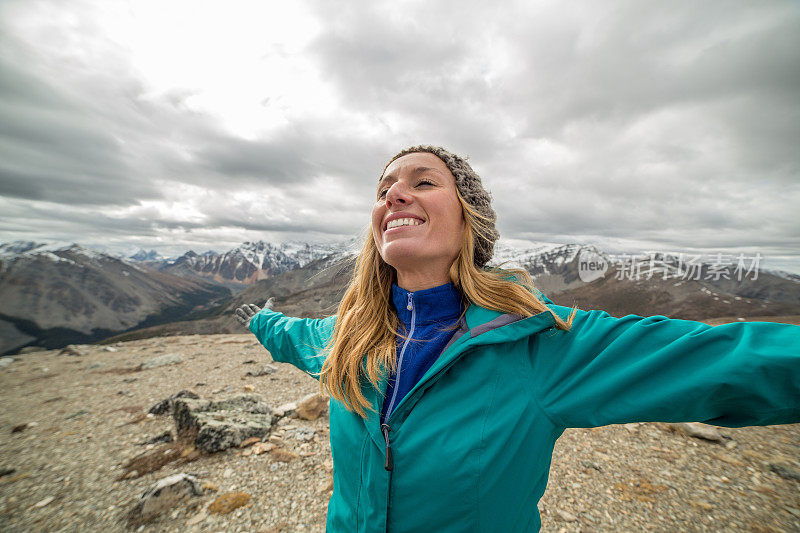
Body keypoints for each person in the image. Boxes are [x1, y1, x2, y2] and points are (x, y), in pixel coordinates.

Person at [235, 145, 800, 532]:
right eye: (384, 189)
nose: (395, 195)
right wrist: (259, 319)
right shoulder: (347, 340)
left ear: (469, 221)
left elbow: (717, 361)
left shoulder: (538, 343)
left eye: (422, 182)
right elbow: (294, 335)